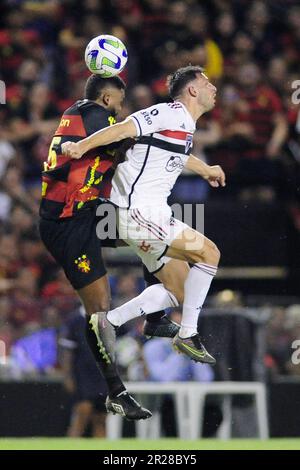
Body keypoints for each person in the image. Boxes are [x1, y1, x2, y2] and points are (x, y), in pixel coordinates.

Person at [39, 74, 181, 420]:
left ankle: (155, 317)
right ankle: (116, 392)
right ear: (105, 99)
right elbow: (129, 138)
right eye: (119, 102)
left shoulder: (91, 121)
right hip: (67, 224)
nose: (122, 109)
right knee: (100, 308)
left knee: (149, 225)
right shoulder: (91, 114)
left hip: (88, 212)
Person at [62, 65, 225, 364]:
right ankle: (188, 334)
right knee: (210, 254)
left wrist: (206, 169)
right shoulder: (169, 112)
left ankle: (110, 321)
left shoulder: (182, 125)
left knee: (182, 291)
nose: (213, 87)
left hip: (144, 217)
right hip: (140, 213)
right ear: (191, 90)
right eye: (206, 82)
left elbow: (174, 153)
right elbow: (124, 128)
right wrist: (80, 146)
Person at [60, 307, 108, 437]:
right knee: (82, 413)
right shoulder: (74, 320)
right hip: (83, 375)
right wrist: (67, 376)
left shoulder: (109, 316)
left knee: (101, 418)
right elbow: (67, 352)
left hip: (104, 375)